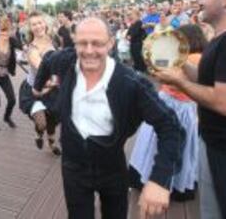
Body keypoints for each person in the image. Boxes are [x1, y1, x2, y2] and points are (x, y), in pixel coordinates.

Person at [33, 17, 185, 219]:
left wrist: (160, 179)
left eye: (97, 43)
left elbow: (170, 126)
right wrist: (37, 86)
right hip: (73, 167)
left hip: (112, 168)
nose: (88, 51)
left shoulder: (131, 83)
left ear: (111, 43)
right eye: (82, 43)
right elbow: (48, 61)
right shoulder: (66, 61)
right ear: (74, 42)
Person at [155, 0, 226, 219]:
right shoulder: (218, 39)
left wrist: (178, 81)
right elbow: (207, 81)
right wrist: (182, 61)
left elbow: (221, 101)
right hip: (213, 140)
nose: (199, 0)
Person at [130, 24, 207, 202]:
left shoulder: (189, 58)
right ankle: (177, 184)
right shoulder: (200, 57)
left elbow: (163, 75)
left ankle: (154, 179)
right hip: (186, 106)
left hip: (173, 102)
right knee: (183, 147)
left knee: (158, 144)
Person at [19, 12, 61, 155]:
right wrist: (59, 80)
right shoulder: (32, 50)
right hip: (35, 90)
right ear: (30, 28)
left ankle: (52, 142)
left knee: (53, 120)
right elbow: (43, 71)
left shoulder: (54, 40)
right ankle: (38, 133)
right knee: (42, 122)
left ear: (45, 23)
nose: (38, 26)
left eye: (40, 22)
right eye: (34, 24)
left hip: (52, 88)